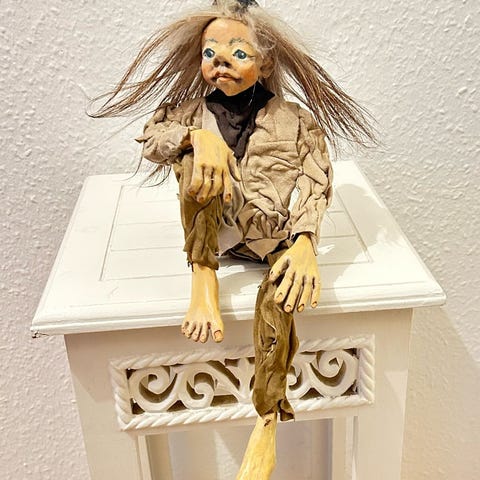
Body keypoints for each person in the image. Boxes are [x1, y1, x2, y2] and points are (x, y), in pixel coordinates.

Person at [92, 1, 375, 477]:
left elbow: (316, 176)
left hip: (271, 235)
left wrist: (305, 241)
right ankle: (203, 278)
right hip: (215, 232)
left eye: (238, 52)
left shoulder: (294, 119)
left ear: (265, 62)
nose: (220, 60)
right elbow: (153, 138)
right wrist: (196, 140)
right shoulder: (188, 114)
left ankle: (267, 418)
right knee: (195, 159)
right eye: (210, 52)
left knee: (283, 294)